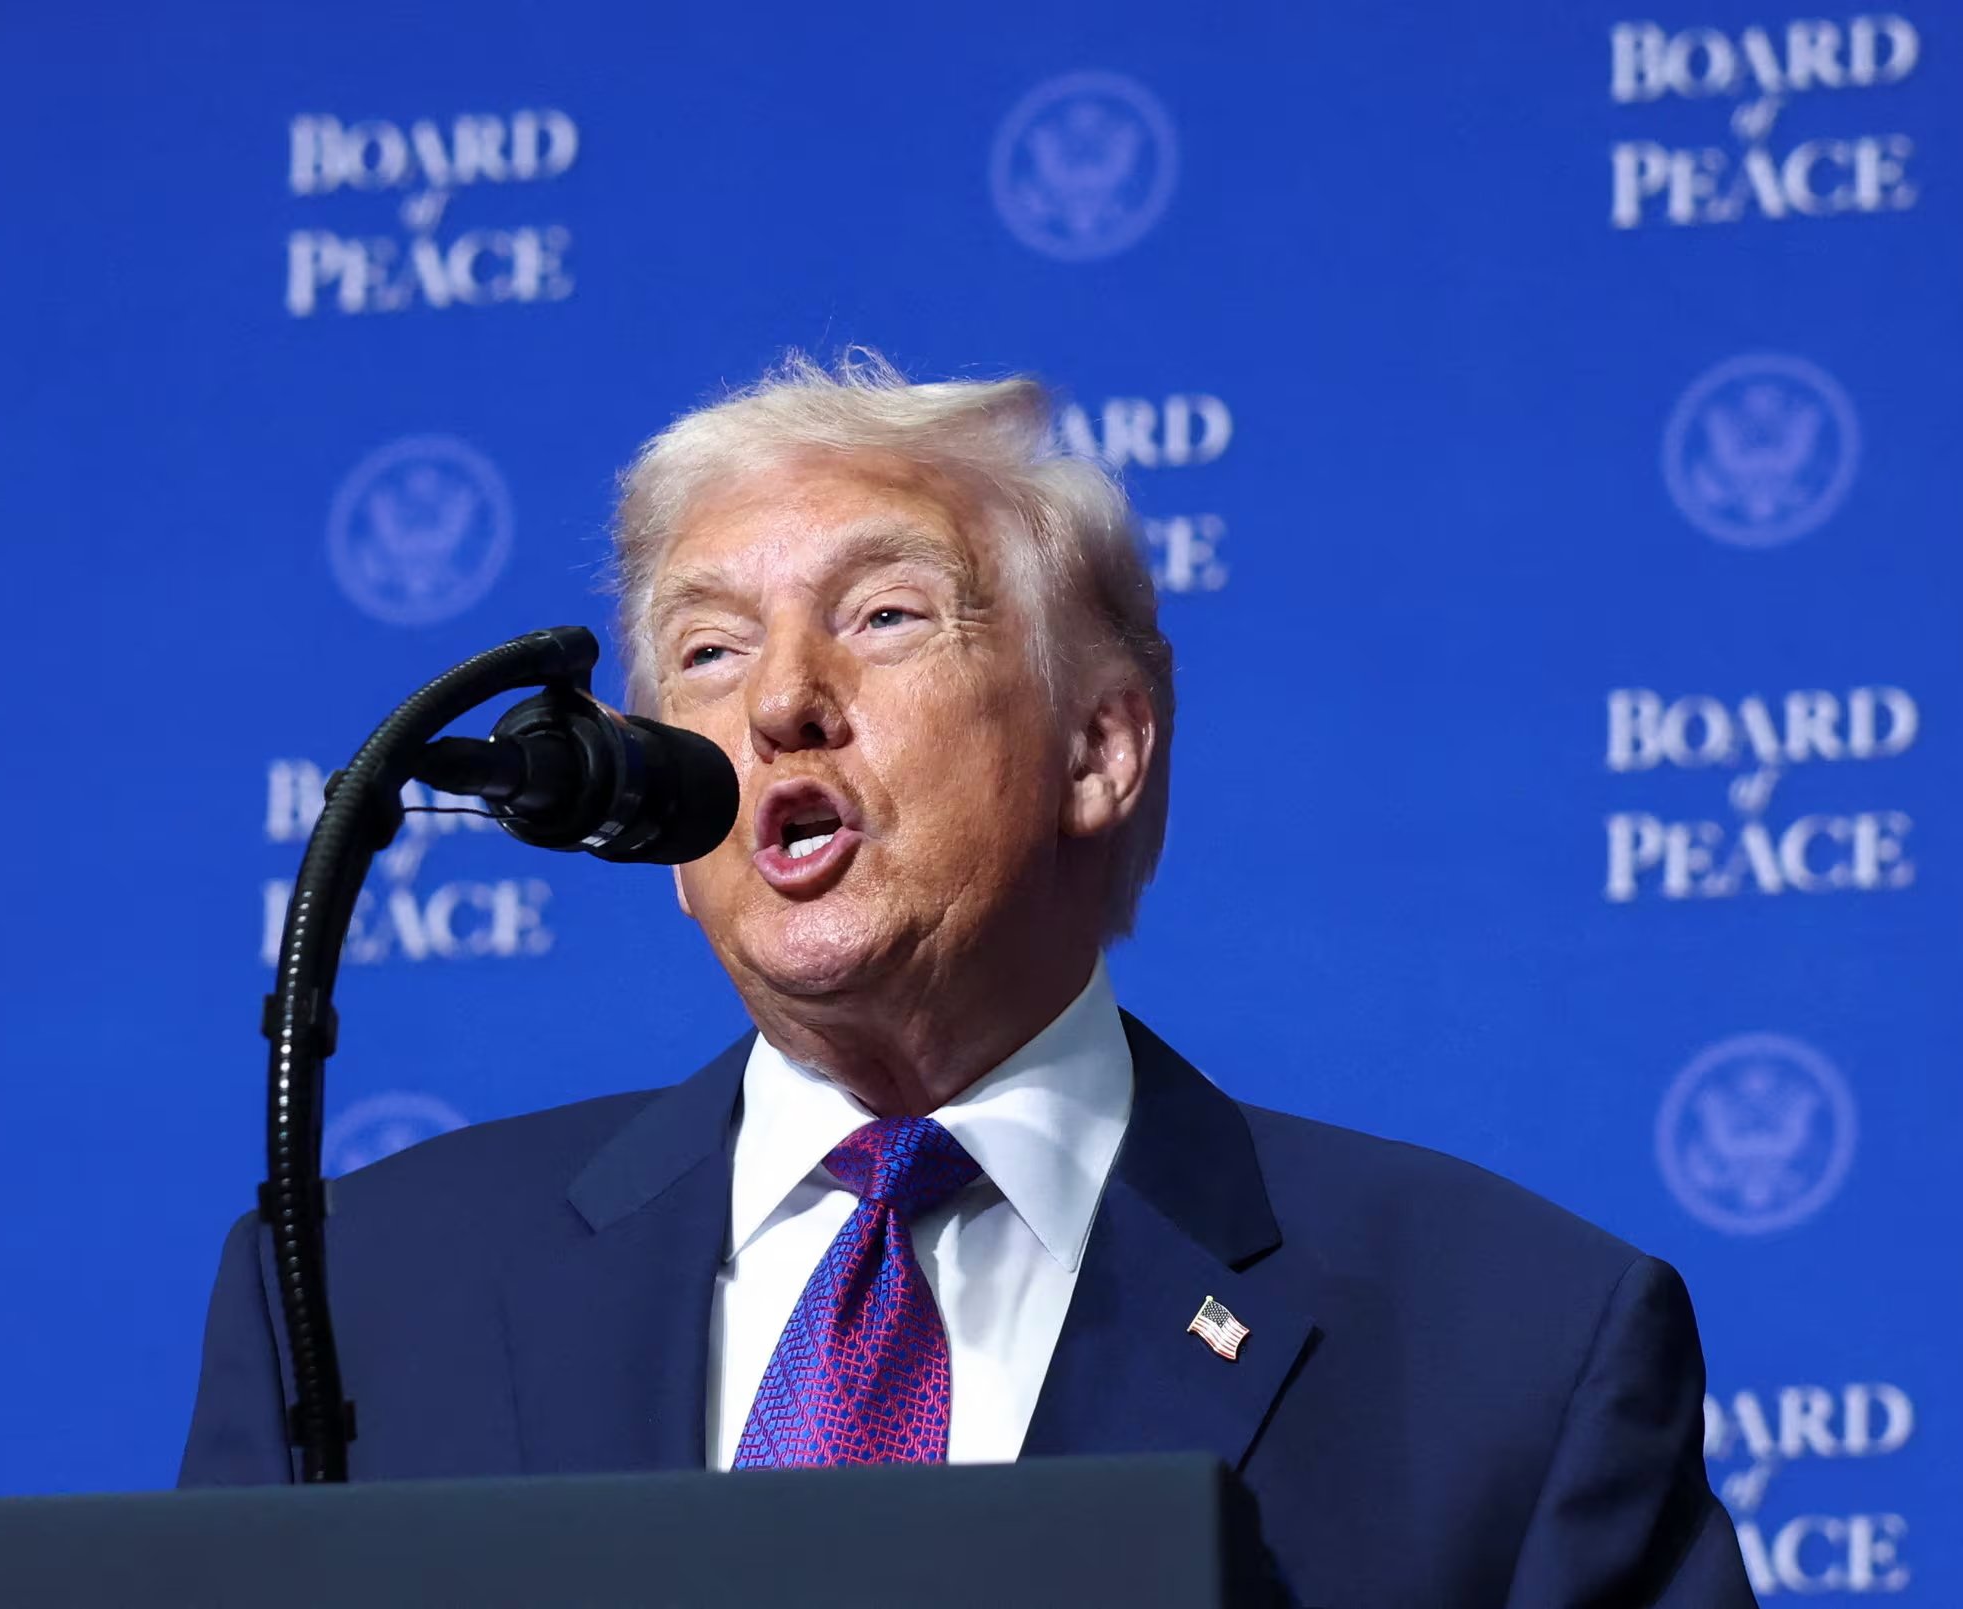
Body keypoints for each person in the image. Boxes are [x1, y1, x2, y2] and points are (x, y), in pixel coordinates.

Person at [180, 352, 1757, 1606]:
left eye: (883, 615)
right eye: (709, 651)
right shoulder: (360, 1306)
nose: (784, 699)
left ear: (1100, 746)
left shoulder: (1514, 1352)